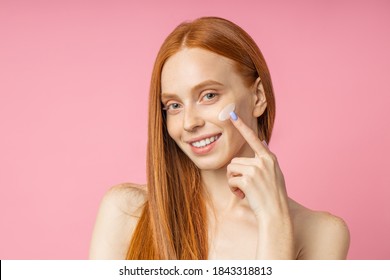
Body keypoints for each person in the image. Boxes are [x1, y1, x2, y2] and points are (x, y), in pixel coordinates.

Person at [89, 17, 350, 260]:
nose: (189, 123)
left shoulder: (321, 233)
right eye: (174, 106)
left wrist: (274, 222)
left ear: (258, 97)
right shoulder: (127, 211)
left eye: (209, 95)